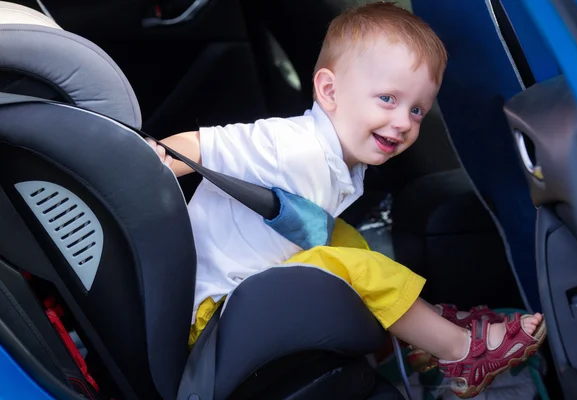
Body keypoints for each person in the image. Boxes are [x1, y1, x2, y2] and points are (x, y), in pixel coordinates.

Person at [146, 3, 545, 398]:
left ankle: (427, 327)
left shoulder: (339, 163)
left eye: (418, 109)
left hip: (245, 292)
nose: (405, 121)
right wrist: (151, 161)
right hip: (210, 311)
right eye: (388, 99)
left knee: (344, 239)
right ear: (330, 90)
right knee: (351, 263)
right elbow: (204, 146)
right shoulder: (291, 144)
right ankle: (459, 352)